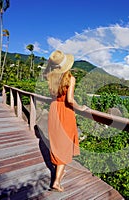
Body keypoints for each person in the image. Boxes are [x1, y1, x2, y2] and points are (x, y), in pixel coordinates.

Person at [44, 50, 88, 192]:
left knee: (57, 143)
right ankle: (56, 182)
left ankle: (60, 171)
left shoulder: (50, 77)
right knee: (64, 145)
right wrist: (81, 107)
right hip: (65, 112)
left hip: (54, 109)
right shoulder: (70, 78)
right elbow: (69, 100)